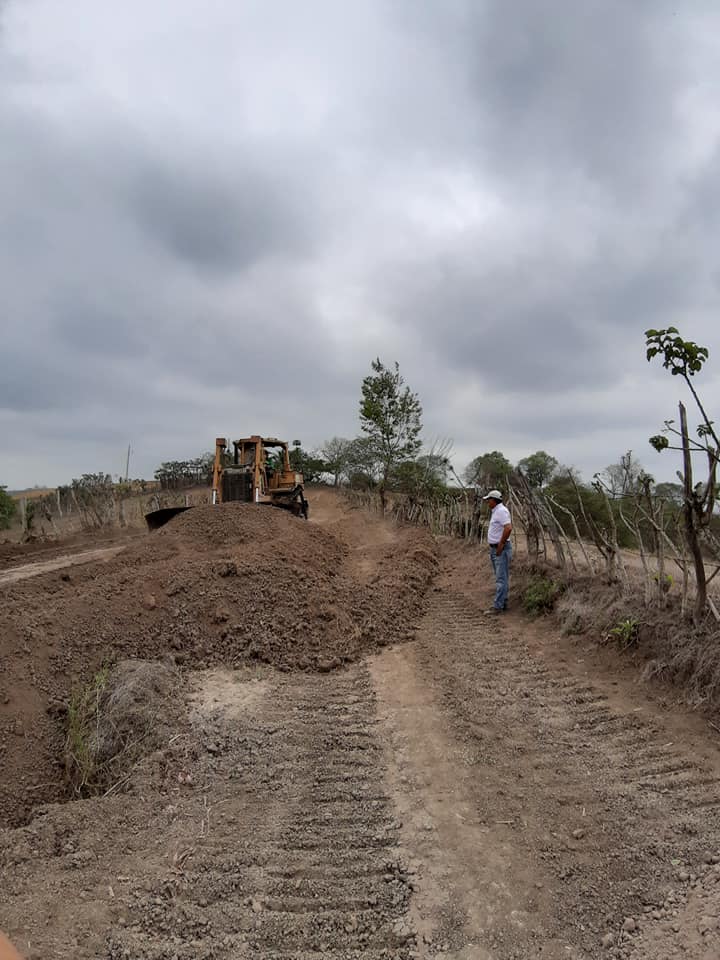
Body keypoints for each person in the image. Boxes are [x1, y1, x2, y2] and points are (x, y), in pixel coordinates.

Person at [482, 489, 512, 613]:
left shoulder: (501, 511)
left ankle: (498, 606)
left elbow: (508, 528)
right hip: (496, 548)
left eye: (489, 500)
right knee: (501, 578)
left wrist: (501, 544)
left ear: (494, 500)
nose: (487, 502)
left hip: (501, 549)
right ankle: (502, 602)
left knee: (501, 579)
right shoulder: (497, 511)